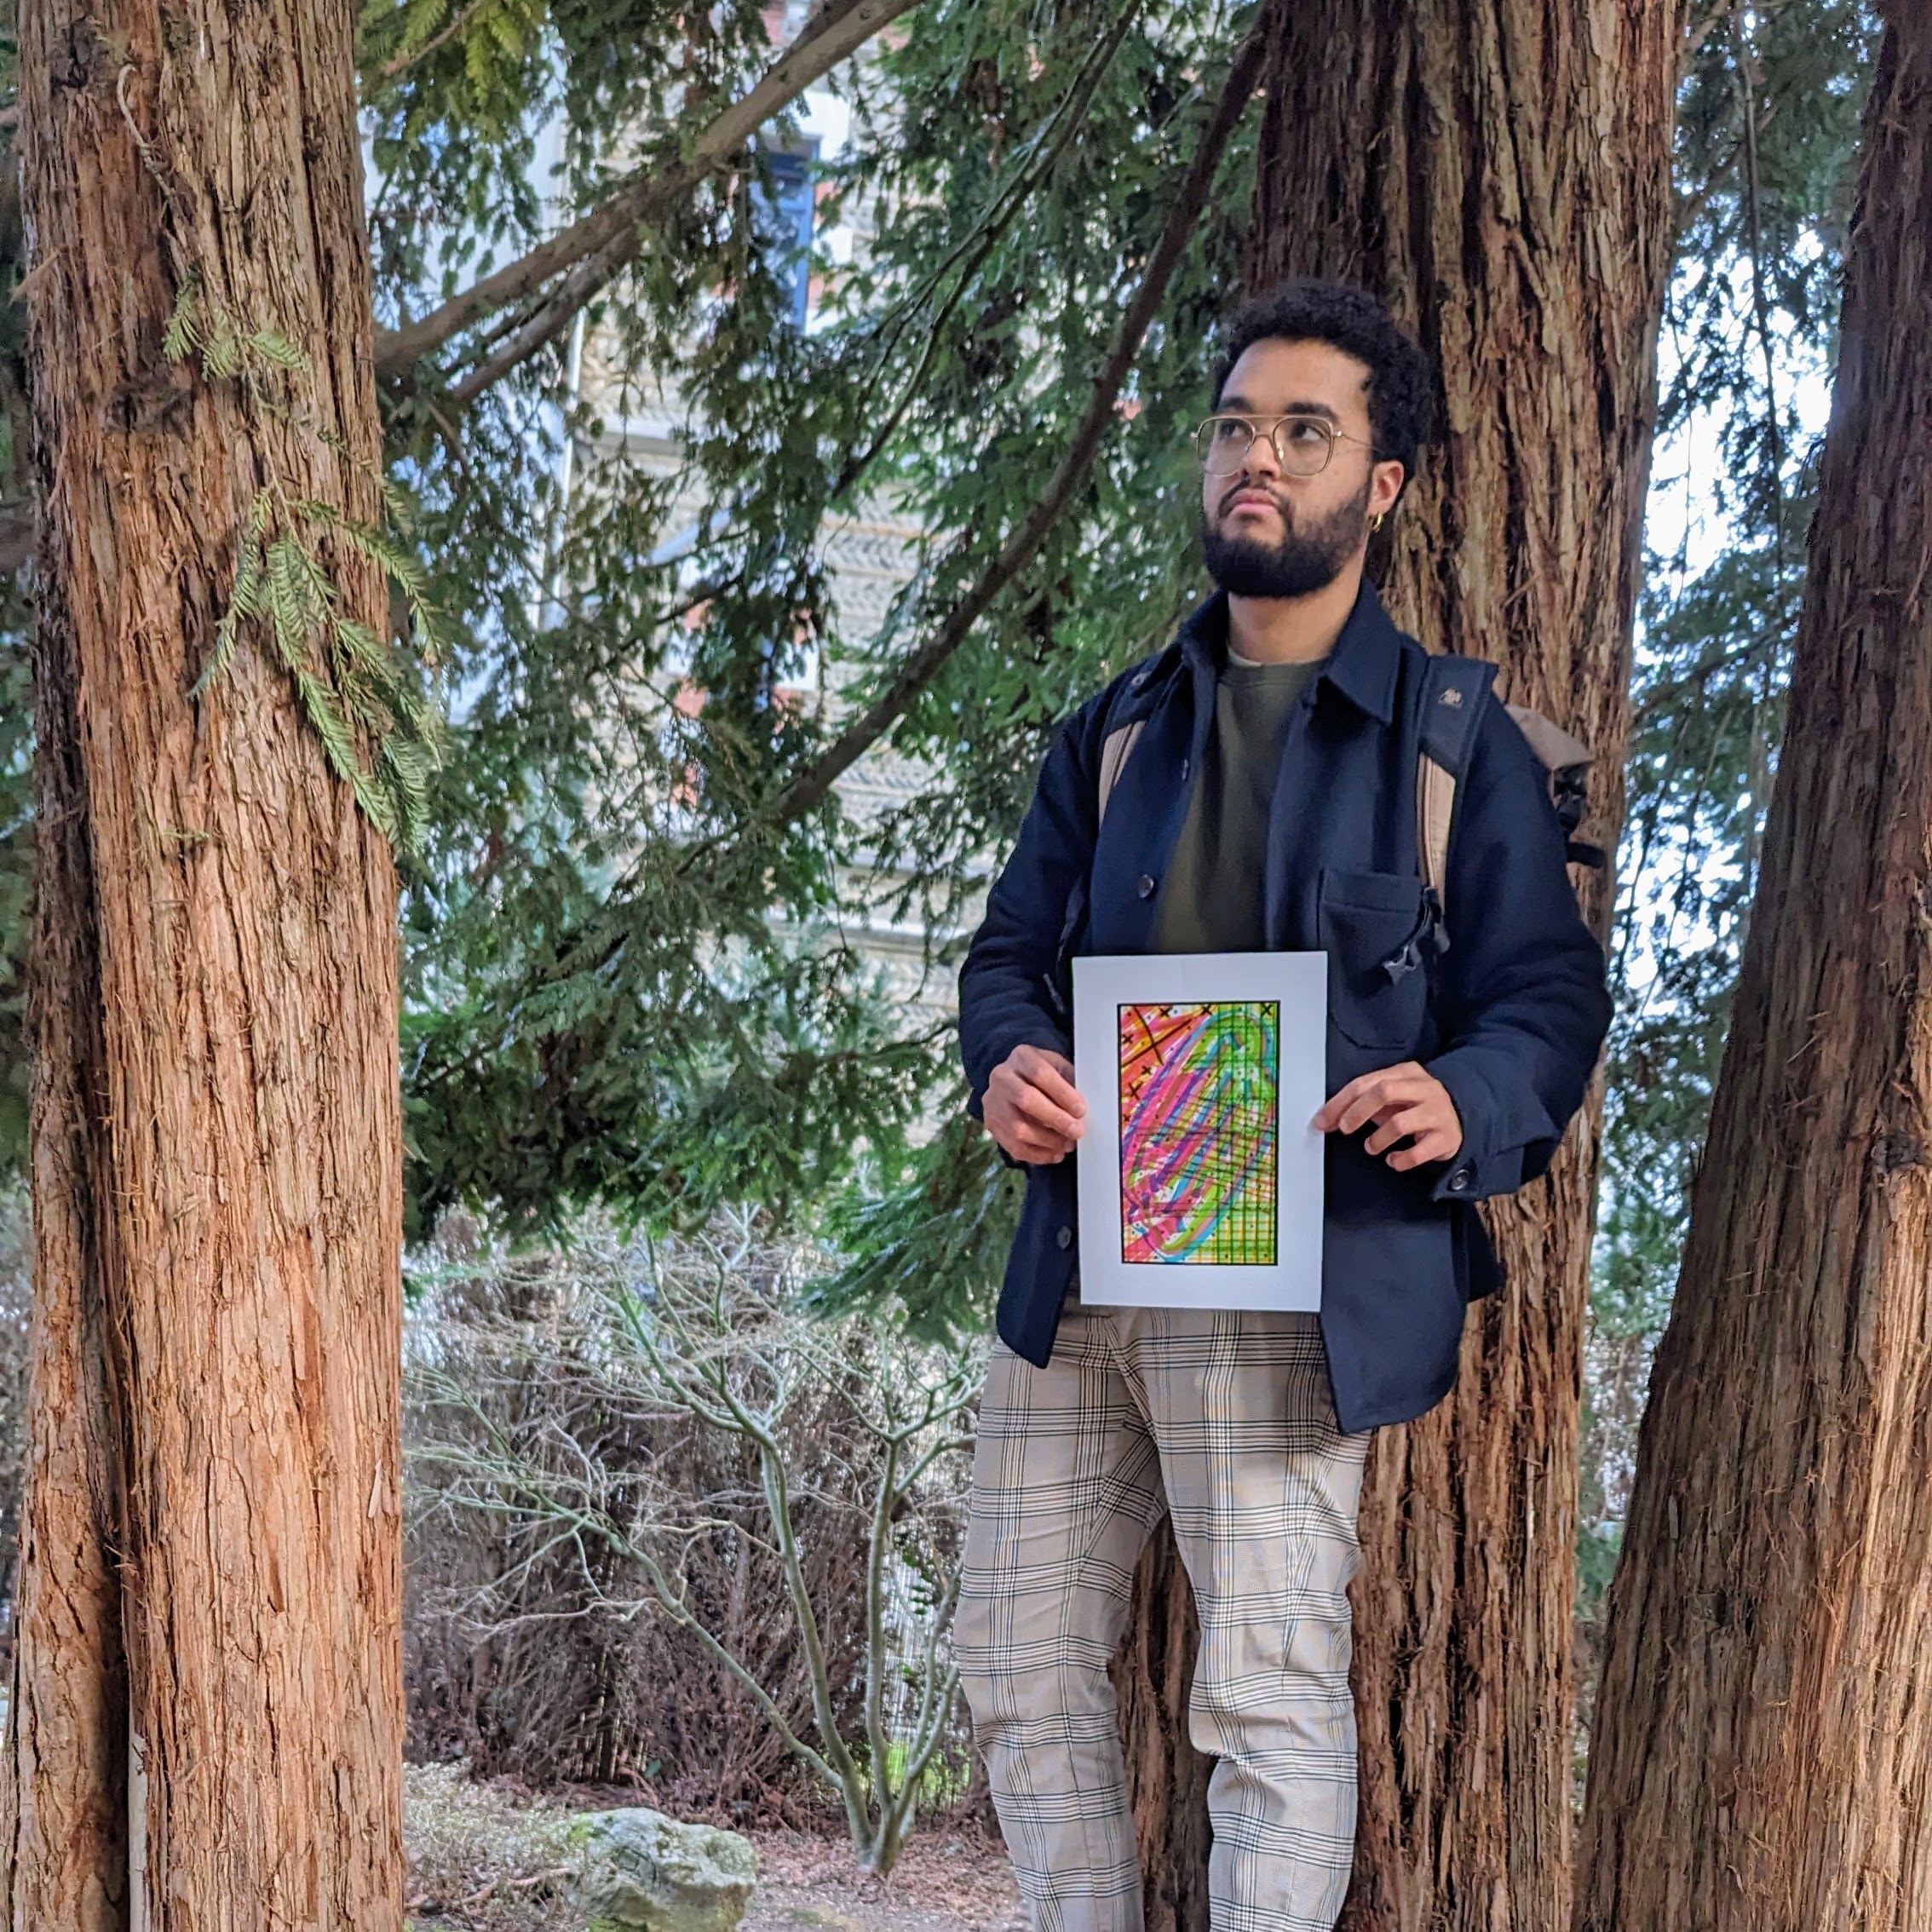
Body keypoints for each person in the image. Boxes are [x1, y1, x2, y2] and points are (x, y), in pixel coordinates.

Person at [951, 279, 1611, 1932]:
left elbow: (1547, 1001)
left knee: (1261, 1699)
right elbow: (1008, 960)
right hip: (1080, 1271)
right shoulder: (1116, 729)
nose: (1259, 457)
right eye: (1239, 427)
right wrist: (1007, 1063)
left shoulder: (1456, 744)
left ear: (1378, 486)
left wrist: (1461, 1095)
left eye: (1306, 432)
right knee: (1013, 1667)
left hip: (1289, 1288)